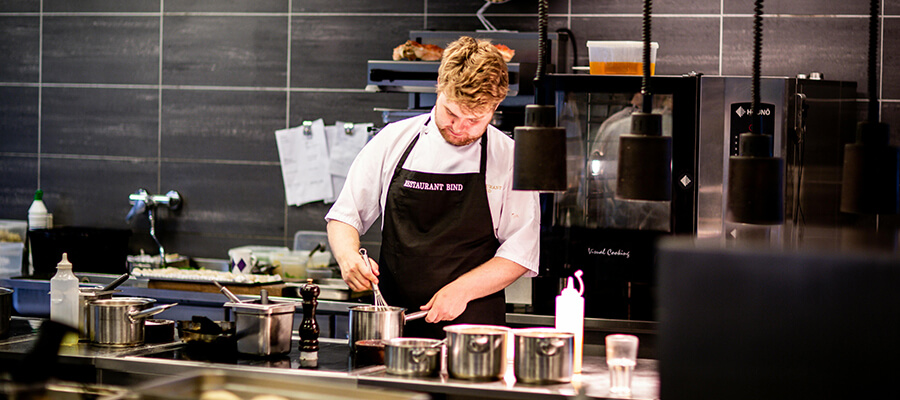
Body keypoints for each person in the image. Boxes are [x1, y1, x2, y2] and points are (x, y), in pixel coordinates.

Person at [325, 36, 540, 339]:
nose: (460, 127)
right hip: (394, 328)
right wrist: (348, 257)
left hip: (473, 335)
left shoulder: (509, 158)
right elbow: (345, 216)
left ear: (496, 105)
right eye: (452, 113)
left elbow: (520, 252)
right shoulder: (393, 141)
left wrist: (462, 290)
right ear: (439, 83)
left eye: (475, 119)